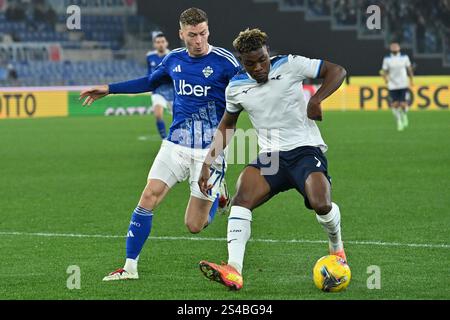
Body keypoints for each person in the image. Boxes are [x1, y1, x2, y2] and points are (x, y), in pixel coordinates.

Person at [79, 8, 241, 281]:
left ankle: (218, 194)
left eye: (203, 33)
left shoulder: (226, 62)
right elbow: (149, 82)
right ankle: (129, 267)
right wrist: (109, 88)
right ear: (181, 34)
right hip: (175, 143)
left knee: (194, 225)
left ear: (208, 31)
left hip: (208, 150)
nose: (199, 40)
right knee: (148, 195)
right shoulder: (173, 60)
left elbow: (244, 95)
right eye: (192, 35)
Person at [197, 28, 347, 290]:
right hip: (271, 158)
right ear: (241, 62)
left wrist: (316, 99)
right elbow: (227, 126)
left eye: (262, 59)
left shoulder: (290, 64)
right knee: (242, 198)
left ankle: (337, 250)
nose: (258, 67)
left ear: (268, 52)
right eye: (250, 63)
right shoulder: (235, 88)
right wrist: (207, 163)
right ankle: (234, 269)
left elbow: (338, 71)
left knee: (321, 204)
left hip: (305, 150)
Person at [146, 33, 174, 139]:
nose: (161, 44)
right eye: (158, 42)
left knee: (177, 119)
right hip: (158, 91)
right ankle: (164, 139)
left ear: (166, 43)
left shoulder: (172, 56)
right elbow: (149, 73)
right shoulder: (150, 56)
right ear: (154, 44)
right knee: (158, 115)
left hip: (172, 92)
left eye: (162, 42)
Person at [381, 42, 414, 131]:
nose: (394, 47)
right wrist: (385, 78)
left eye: (396, 46)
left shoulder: (405, 57)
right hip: (393, 84)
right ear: (390, 49)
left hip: (403, 83)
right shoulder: (387, 59)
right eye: (393, 46)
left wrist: (411, 79)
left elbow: (409, 68)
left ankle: (404, 115)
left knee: (403, 104)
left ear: (399, 48)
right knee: (395, 104)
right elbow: (384, 71)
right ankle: (399, 121)